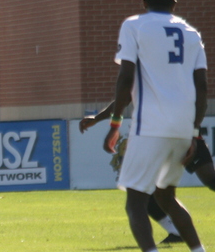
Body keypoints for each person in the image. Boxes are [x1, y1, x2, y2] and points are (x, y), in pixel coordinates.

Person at [102, 0, 215, 252]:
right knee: (166, 197)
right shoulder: (192, 33)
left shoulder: (135, 24)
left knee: (135, 204)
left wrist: (114, 125)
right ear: (175, 2)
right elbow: (203, 87)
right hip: (182, 128)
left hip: (150, 126)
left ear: (143, 0)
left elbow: (126, 78)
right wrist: (193, 133)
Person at [81, 104, 215, 244]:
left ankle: (168, 251)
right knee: (145, 190)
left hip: (173, 136)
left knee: (142, 191)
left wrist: (107, 124)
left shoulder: (171, 84)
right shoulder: (150, 83)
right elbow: (125, 95)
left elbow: (125, 93)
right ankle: (176, 233)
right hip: (166, 136)